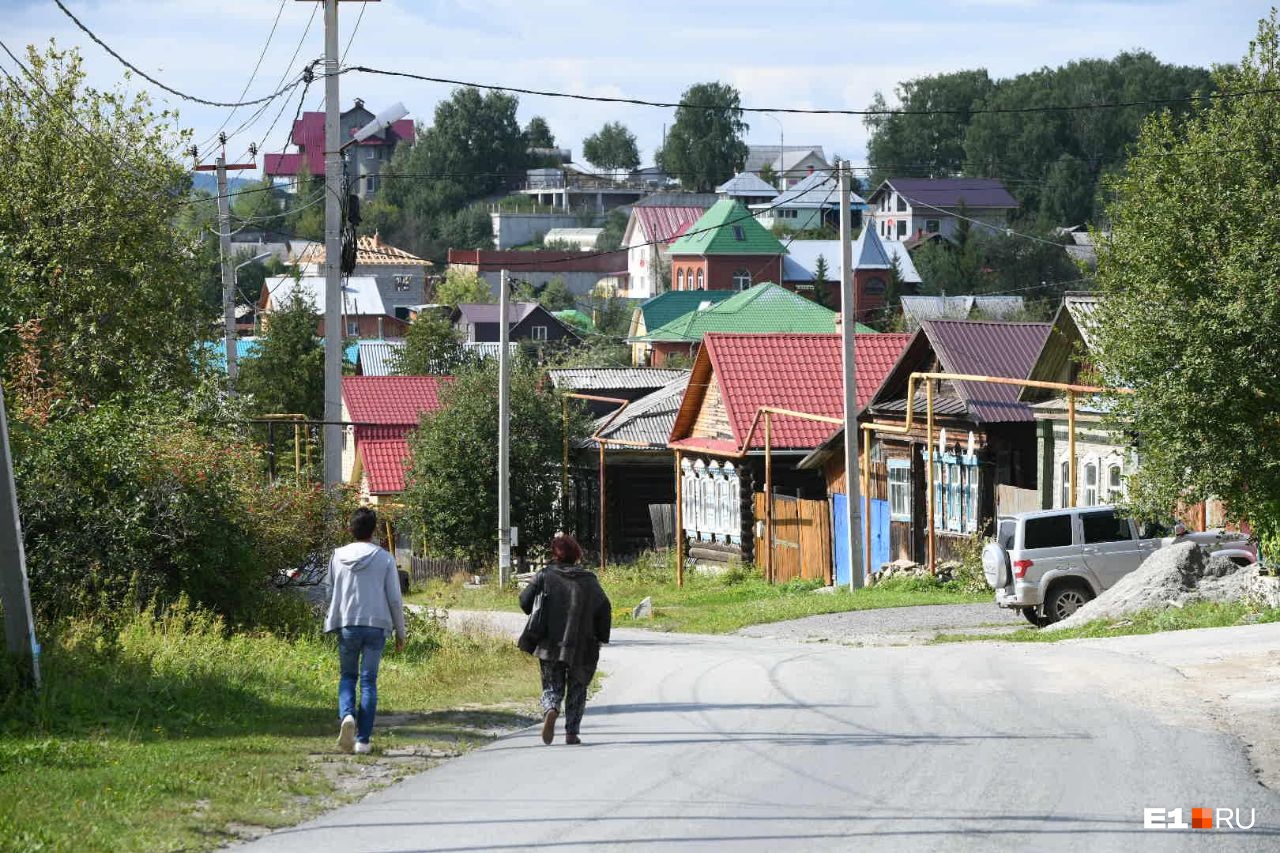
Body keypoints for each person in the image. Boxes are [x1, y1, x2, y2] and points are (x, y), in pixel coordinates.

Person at [324, 507, 406, 755]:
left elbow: (330, 591)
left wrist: (334, 617)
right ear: (374, 530)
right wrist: (401, 632)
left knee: (348, 676)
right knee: (369, 681)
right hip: (377, 625)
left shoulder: (337, 556)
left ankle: (347, 715)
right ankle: (363, 740)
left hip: (347, 623)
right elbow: (394, 599)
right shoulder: (385, 558)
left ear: (351, 529)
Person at [519, 534, 612, 745]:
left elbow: (524, 602)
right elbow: (604, 608)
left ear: (555, 555)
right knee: (578, 686)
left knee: (552, 685)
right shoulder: (589, 580)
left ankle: (551, 708)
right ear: (576, 555)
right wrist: (601, 637)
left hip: (549, 644)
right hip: (582, 645)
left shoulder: (544, 576)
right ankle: (572, 733)